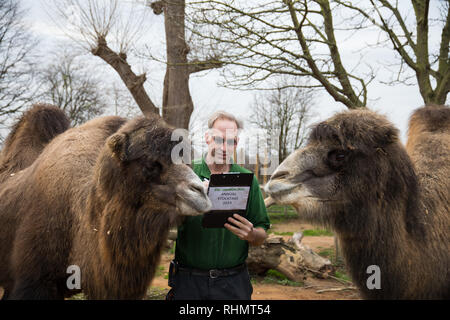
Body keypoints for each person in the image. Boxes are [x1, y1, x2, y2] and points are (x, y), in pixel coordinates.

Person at [168, 111, 270, 300]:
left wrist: (252, 234)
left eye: (230, 141)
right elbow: (164, 216)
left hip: (233, 284)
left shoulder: (249, 180)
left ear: (236, 143)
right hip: (188, 282)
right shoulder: (187, 173)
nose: (224, 147)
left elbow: (262, 231)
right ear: (207, 138)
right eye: (219, 139)